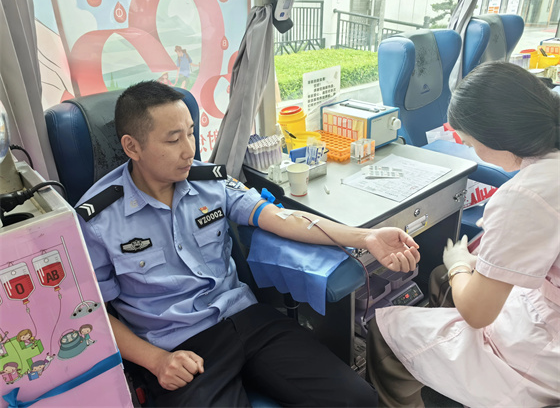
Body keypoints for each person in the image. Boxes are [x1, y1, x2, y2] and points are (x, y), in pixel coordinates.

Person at [76, 80, 421, 407]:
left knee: (356, 399)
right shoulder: (97, 220)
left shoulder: (210, 182)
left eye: (191, 133)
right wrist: (156, 361)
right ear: (132, 147)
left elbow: (283, 219)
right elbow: (93, 313)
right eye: (173, 140)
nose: (189, 150)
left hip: (245, 319)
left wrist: (366, 237)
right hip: (178, 346)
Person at [366, 61, 560, 407]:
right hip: (546, 304)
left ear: (497, 137)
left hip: (544, 353)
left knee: (385, 328)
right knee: (440, 278)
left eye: (470, 142)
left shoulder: (526, 195)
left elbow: (477, 313)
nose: (471, 148)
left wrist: (459, 263)